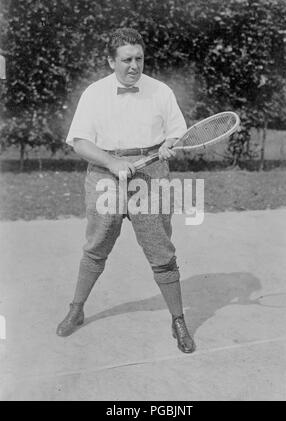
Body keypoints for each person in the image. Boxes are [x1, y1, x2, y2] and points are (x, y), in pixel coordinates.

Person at [56, 27, 195, 353]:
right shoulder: (94, 93)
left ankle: (178, 321)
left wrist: (169, 145)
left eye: (139, 58)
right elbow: (79, 143)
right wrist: (113, 162)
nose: (134, 66)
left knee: (162, 252)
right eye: (126, 59)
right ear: (111, 61)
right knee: (96, 247)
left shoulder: (161, 91)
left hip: (151, 175)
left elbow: (176, 132)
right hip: (105, 176)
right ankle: (76, 309)